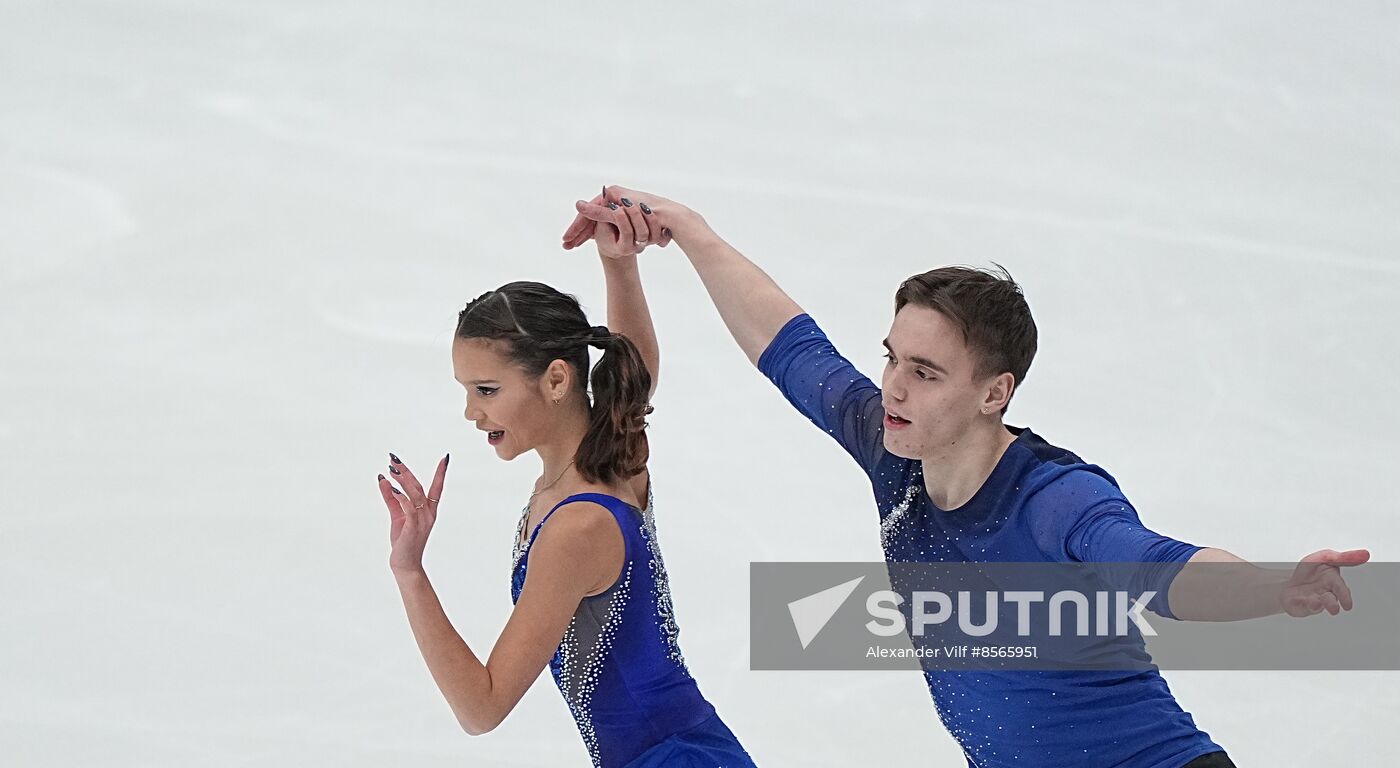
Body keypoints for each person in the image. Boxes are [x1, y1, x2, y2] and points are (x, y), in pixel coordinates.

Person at [561, 185, 1370, 768]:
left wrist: (1273, 588)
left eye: (925, 371)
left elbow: (1164, 570)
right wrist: (692, 233)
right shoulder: (894, 444)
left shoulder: (1056, 500)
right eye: (891, 358)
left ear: (995, 392)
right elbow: (792, 347)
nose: (894, 387)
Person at [375, 218, 757, 767]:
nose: (472, 412)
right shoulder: (611, 458)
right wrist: (618, 263)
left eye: (487, 389)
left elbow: (481, 707)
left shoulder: (579, 527)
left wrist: (410, 573)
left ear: (557, 380)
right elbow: (634, 371)